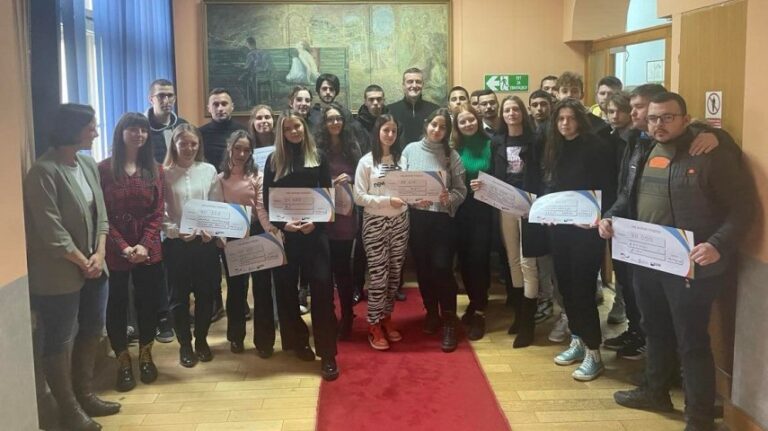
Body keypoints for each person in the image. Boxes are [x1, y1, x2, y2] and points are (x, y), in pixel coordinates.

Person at [601, 92, 753, 431]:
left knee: (692, 341)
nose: (659, 124)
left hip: (691, 265)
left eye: (668, 117)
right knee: (654, 331)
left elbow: (744, 208)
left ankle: (699, 419)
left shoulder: (709, 151)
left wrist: (717, 245)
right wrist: (610, 216)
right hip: (646, 260)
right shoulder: (641, 149)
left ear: (685, 119)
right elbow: (627, 196)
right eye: (653, 118)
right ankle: (655, 392)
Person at [24, 103, 121, 430]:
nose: (96, 133)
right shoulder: (42, 172)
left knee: (92, 329)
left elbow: (101, 214)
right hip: (59, 273)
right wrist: (83, 261)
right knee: (60, 339)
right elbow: (51, 230)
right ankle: (69, 409)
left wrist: (100, 253)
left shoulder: (87, 164)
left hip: (95, 265)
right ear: (72, 129)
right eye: (91, 127)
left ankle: (86, 394)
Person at [262, 110, 340, 381]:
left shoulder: (318, 156)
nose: (293, 131)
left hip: (314, 235)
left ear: (304, 128)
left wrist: (315, 224)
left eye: (297, 126)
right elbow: (268, 200)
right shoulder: (274, 160)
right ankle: (299, 341)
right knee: (286, 292)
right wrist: (283, 225)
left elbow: (328, 196)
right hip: (287, 237)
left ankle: (328, 353)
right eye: (288, 129)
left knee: (322, 292)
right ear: (281, 133)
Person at [542, 99, 616, 381]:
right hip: (560, 229)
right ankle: (578, 338)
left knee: (583, 289)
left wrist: (599, 216)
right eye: (560, 118)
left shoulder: (597, 147)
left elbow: (609, 188)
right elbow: (551, 186)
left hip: (587, 231)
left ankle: (594, 353)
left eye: (570, 118)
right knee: (565, 287)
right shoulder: (555, 147)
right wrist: (547, 211)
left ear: (580, 120)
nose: (565, 124)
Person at [99, 113, 164, 392]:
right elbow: (102, 213)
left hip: (148, 248)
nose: (139, 135)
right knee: (116, 304)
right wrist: (124, 246)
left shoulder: (155, 169)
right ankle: (123, 360)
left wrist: (144, 244)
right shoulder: (103, 169)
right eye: (133, 130)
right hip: (116, 249)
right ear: (121, 133)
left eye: (143, 131)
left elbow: (157, 212)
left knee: (148, 302)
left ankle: (146, 355)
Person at [402, 108, 467, 352]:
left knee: (442, 268)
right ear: (426, 124)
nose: (437, 130)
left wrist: (450, 197)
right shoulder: (410, 150)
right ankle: (431, 313)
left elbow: (461, 190)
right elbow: (402, 184)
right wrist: (411, 198)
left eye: (442, 127)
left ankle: (449, 319)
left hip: (442, 221)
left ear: (447, 131)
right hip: (417, 219)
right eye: (434, 125)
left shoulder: (452, 155)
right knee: (423, 269)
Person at [488, 96, 548, 348]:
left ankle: (528, 323)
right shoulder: (497, 142)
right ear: (502, 115)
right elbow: (494, 173)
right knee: (512, 259)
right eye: (507, 110)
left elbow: (544, 174)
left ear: (523, 112)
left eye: (515, 109)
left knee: (528, 262)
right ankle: (518, 315)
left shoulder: (537, 140)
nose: (511, 113)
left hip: (531, 207)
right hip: (506, 206)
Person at [215, 130, 277, 357]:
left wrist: (270, 231)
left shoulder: (257, 175)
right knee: (236, 290)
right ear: (229, 148)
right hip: (232, 237)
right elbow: (219, 209)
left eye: (246, 150)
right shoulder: (220, 178)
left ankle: (264, 341)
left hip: (257, 234)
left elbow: (260, 207)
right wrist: (221, 237)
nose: (241, 154)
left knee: (262, 288)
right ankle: (236, 337)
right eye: (237, 149)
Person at [162, 123, 220, 368]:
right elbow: (159, 211)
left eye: (193, 143)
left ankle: (201, 340)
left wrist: (211, 230)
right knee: (178, 297)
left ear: (199, 145)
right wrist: (175, 231)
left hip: (204, 243)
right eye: (183, 143)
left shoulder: (208, 170)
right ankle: (184, 345)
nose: (188, 148)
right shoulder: (164, 173)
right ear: (174, 144)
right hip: (176, 244)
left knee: (206, 294)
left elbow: (216, 205)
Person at [353, 114, 410, 351]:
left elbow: (409, 189)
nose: (390, 135)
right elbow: (359, 196)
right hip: (375, 222)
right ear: (377, 132)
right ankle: (373, 323)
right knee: (379, 276)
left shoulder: (402, 160)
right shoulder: (366, 162)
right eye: (386, 130)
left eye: (393, 131)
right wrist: (387, 200)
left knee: (394, 275)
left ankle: (386, 317)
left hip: (400, 221)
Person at [315, 103, 363, 340]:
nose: (334, 123)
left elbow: (363, 176)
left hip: (345, 215)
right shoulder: (316, 148)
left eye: (338, 119)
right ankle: (329, 316)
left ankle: (347, 315)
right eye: (330, 119)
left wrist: (350, 178)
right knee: (325, 272)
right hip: (322, 217)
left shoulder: (352, 147)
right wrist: (327, 183)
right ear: (324, 124)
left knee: (343, 269)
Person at [450, 106, 493, 341]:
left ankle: (479, 311)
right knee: (465, 262)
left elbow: (501, 176)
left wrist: (487, 184)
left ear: (478, 119)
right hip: (459, 211)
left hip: (482, 210)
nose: (468, 124)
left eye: (471, 120)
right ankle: (473, 302)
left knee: (478, 260)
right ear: (457, 126)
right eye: (462, 122)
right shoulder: (454, 147)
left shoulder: (491, 144)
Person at [387, 67, 440, 146]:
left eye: (418, 82)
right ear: (403, 85)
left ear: (423, 85)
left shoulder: (435, 110)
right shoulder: (390, 110)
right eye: (410, 82)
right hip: (398, 154)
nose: (414, 85)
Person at [147, 79, 188, 164]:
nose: (166, 101)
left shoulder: (183, 125)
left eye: (170, 96)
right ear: (151, 100)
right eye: (161, 96)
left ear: (174, 99)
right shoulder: (142, 127)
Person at [354, 84, 388, 154]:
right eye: (371, 99)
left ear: (383, 100)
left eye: (379, 99)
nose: (375, 102)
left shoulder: (393, 123)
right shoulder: (356, 126)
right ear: (365, 102)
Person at [240, 37, 274, 106]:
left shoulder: (250, 54)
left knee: (241, 80)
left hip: (256, 76)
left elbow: (247, 67)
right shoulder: (263, 52)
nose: (246, 45)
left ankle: (251, 100)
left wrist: (240, 66)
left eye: (246, 44)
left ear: (248, 44)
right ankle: (256, 99)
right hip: (266, 75)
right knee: (248, 78)